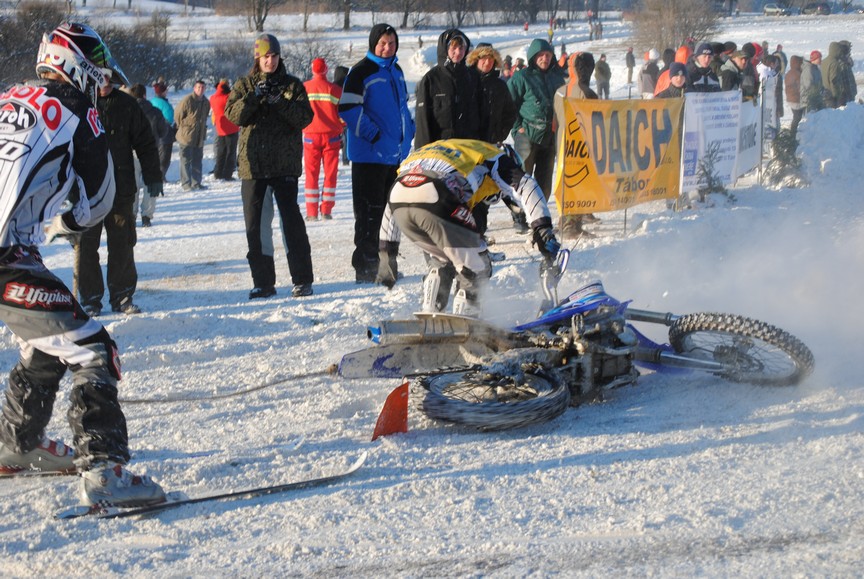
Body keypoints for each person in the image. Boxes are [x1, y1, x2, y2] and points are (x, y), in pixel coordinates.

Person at [0, 22, 164, 506]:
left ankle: (16, 444)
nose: (102, 72)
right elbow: (99, 201)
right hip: (8, 260)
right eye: (95, 59)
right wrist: (66, 221)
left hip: (14, 256)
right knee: (94, 351)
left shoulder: (8, 97)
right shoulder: (80, 111)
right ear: (74, 62)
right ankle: (105, 471)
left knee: (49, 338)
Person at [376, 140, 560, 316]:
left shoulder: (457, 150)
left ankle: (431, 308)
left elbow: (393, 204)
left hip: (398, 199)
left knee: (443, 256)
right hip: (439, 193)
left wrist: (387, 253)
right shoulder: (496, 156)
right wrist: (542, 229)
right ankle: (468, 317)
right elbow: (527, 185)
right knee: (478, 264)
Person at [224, 33, 315, 300]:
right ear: (257, 58)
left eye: (274, 56)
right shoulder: (244, 84)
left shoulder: (292, 85)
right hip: (253, 168)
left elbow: (304, 118)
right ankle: (263, 282)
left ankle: (302, 280)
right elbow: (233, 116)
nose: (271, 61)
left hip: (284, 166)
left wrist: (279, 101)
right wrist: (254, 97)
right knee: (256, 227)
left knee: (292, 225)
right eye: (266, 56)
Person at [75, 73, 163, 317]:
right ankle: (90, 298)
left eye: (107, 79)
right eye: (98, 79)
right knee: (86, 245)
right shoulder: (79, 105)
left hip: (120, 188)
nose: (104, 84)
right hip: (88, 191)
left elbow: (145, 143)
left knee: (122, 243)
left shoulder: (127, 105)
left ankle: (122, 296)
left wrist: (153, 176)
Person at [338, 23, 415, 284]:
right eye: (382, 42)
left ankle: (386, 264)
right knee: (369, 213)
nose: (387, 47)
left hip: (394, 156)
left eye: (391, 43)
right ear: (373, 43)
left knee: (390, 214)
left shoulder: (397, 71)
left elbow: (403, 107)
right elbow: (348, 109)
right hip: (369, 155)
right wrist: (374, 135)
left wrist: (409, 131)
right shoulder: (361, 72)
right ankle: (366, 265)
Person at [466, 42, 518, 234]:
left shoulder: (499, 85)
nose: (487, 62)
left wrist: (500, 133)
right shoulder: (467, 82)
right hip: (467, 146)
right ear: (476, 60)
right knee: (467, 191)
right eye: (483, 58)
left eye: (490, 59)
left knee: (484, 191)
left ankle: (480, 234)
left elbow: (510, 112)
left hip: (489, 146)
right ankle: (467, 233)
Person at [508, 38, 566, 205]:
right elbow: (509, 104)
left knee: (544, 182)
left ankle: (539, 214)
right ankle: (520, 216)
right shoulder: (521, 77)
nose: (544, 58)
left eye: (548, 55)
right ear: (533, 57)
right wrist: (517, 128)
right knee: (522, 179)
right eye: (540, 55)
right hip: (527, 135)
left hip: (550, 138)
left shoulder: (557, 79)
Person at [554, 52, 599, 240]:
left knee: (566, 183)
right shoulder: (587, 93)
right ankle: (571, 224)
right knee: (579, 183)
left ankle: (567, 220)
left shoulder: (560, 90)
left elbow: (554, 120)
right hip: (581, 145)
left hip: (563, 143)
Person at [414, 28, 481, 148]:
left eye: (461, 48)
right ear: (445, 49)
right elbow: (422, 120)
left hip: (468, 148)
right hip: (440, 149)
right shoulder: (431, 79)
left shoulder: (472, 77)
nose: (458, 52)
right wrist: (422, 151)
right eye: (453, 48)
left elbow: (481, 113)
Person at [302, 58, 343, 221]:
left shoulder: (305, 88)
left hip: (311, 136)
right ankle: (326, 210)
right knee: (330, 173)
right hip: (331, 137)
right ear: (326, 70)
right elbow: (343, 115)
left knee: (311, 174)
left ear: (313, 70)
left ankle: (311, 213)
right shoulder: (334, 90)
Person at [127, 83, 171, 227]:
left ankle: (131, 214)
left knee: (132, 185)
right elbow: (163, 131)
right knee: (150, 185)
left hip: (132, 153)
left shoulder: (126, 112)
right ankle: (146, 215)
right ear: (145, 95)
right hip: (151, 152)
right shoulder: (155, 111)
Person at [175, 79, 210, 191]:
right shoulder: (187, 100)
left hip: (199, 136)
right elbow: (178, 115)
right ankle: (186, 184)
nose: (201, 89)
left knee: (197, 160)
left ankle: (196, 183)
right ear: (194, 88)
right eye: (198, 87)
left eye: (203, 87)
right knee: (185, 160)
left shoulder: (206, 102)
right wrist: (185, 127)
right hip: (186, 136)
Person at [210, 78, 240, 181]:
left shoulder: (213, 98)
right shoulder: (228, 97)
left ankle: (218, 172)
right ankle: (228, 173)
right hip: (231, 126)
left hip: (220, 127)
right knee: (231, 151)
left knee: (221, 151)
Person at [150, 79, 175, 180]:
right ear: (163, 92)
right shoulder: (164, 104)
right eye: (166, 91)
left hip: (154, 134)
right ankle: (160, 178)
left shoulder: (152, 101)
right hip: (165, 135)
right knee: (164, 158)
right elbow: (169, 118)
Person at [332, 65, 350, 165]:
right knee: (346, 138)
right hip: (344, 118)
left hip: (333, 119)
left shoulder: (332, 86)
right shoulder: (346, 86)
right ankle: (345, 159)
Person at [785, 55, 805, 138]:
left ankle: (794, 132)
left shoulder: (789, 72)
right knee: (797, 117)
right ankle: (793, 133)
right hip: (796, 99)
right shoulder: (797, 74)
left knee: (796, 117)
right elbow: (801, 87)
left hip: (791, 98)